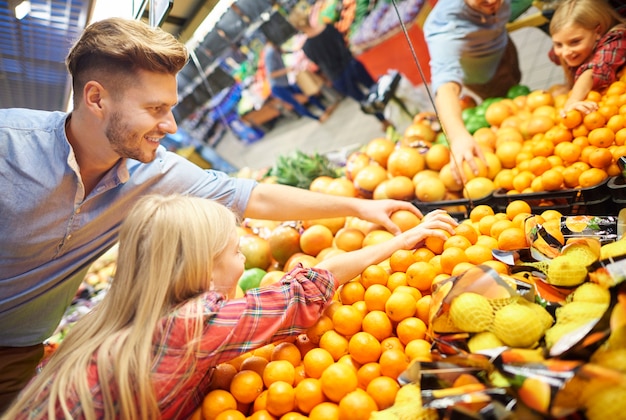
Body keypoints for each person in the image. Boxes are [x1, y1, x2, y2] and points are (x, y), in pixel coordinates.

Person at [0, 17, 426, 413]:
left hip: (21, 353)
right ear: (96, 98)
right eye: (154, 109)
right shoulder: (8, 149)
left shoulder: (153, 170)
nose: (170, 125)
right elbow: (298, 296)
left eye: (170, 107)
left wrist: (359, 206)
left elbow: (251, 196)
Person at [2, 194, 458, 419]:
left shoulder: (113, 319)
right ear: (202, 269)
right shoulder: (193, 326)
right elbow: (304, 292)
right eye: (235, 251)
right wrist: (402, 241)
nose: (244, 258)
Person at [423, 0, 522, 182]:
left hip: (503, 46)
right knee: (505, 106)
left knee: (516, 83)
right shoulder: (446, 25)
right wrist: (458, 135)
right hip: (485, 77)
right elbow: (446, 85)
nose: (492, 2)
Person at [288, 2, 394, 132]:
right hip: (352, 64)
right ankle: (395, 110)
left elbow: (317, 64)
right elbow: (343, 41)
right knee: (376, 88)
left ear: (297, 26)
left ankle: (384, 121)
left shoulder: (307, 47)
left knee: (363, 99)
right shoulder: (328, 27)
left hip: (338, 76)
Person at [549, 0, 626, 115]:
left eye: (575, 42)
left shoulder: (616, 41)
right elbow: (553, 55)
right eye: (558, 44)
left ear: (597, 31)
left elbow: (594, 69)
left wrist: (573, 100)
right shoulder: (560, 52)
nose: (565, 52)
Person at [263, 40, 331, 122]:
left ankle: (324, 109)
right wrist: (288, 70)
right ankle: (317, 118)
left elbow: (286, 51)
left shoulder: (276, 50)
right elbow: (271, 74)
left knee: (306, 91)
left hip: (285, 84)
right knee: (296, 103)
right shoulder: (270, 54)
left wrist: (298, 49)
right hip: (278, 87)